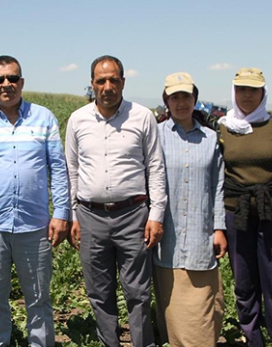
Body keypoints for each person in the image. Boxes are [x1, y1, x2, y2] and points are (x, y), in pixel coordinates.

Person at [0, 55, 70, 347]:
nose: (6, 84)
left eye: (12, 78)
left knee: (38, 298)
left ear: (21, 82)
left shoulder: (44, 118)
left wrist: (61, 213)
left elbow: (58, 168)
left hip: (34, 227)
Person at [65, 55, 167, 347]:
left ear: (123, 82)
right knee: (99, 292)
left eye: (113, 80)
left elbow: (155, 168)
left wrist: (156, 215)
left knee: (138, 292)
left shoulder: (142, 116)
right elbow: (71, 169)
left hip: (133, 214)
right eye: (101, 81)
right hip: (90, 216)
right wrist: (73, 214)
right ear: (92, 84)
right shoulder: (78, 119)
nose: (107, 86)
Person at [217, 68, 272, 347]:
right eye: (241, 89)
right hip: (236, 215)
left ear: (262, 93)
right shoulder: (224, 127)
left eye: (253, 90)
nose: (246, 95)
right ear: (234, 91)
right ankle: (253, 339)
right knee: (244, 285)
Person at [153, 72, 225, 347]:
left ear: (195, 99)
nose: (181, 102)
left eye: (186, 96)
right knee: (171, 311)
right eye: (175, 97)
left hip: (200, 239)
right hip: (166, 240)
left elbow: (217, 186)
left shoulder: (209, 138)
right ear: (166, 100)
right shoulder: (155, 135)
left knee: (201, 310)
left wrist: (219, 228)